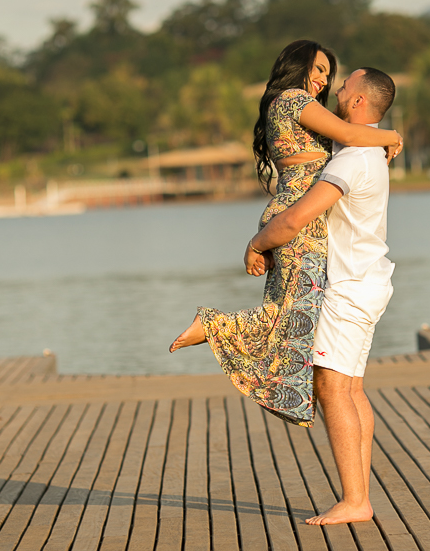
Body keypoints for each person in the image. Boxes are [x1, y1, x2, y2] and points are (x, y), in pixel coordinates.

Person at [169, 40, 401, 428]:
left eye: (330, 74)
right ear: (299, 66)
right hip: (299, 220)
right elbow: (351, 133)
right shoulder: (294, 100)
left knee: (288, 313)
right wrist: (392, 136)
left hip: (296, 215)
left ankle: (220, 334)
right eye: (320, 69)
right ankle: (212, 327)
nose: (326, 80)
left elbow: (348, 137)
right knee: (292, 316)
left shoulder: (292, 106)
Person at [244, 66, 397, 526]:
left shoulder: (352, 160)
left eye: (345, 85)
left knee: (331, 389)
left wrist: (257, 244)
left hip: (349, 289)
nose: (336, 89)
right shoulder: (366, 151)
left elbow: (296, 218)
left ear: (358, 101)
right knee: (350, 388)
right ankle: (358, 496)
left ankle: (355, 500)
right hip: (368, 282)